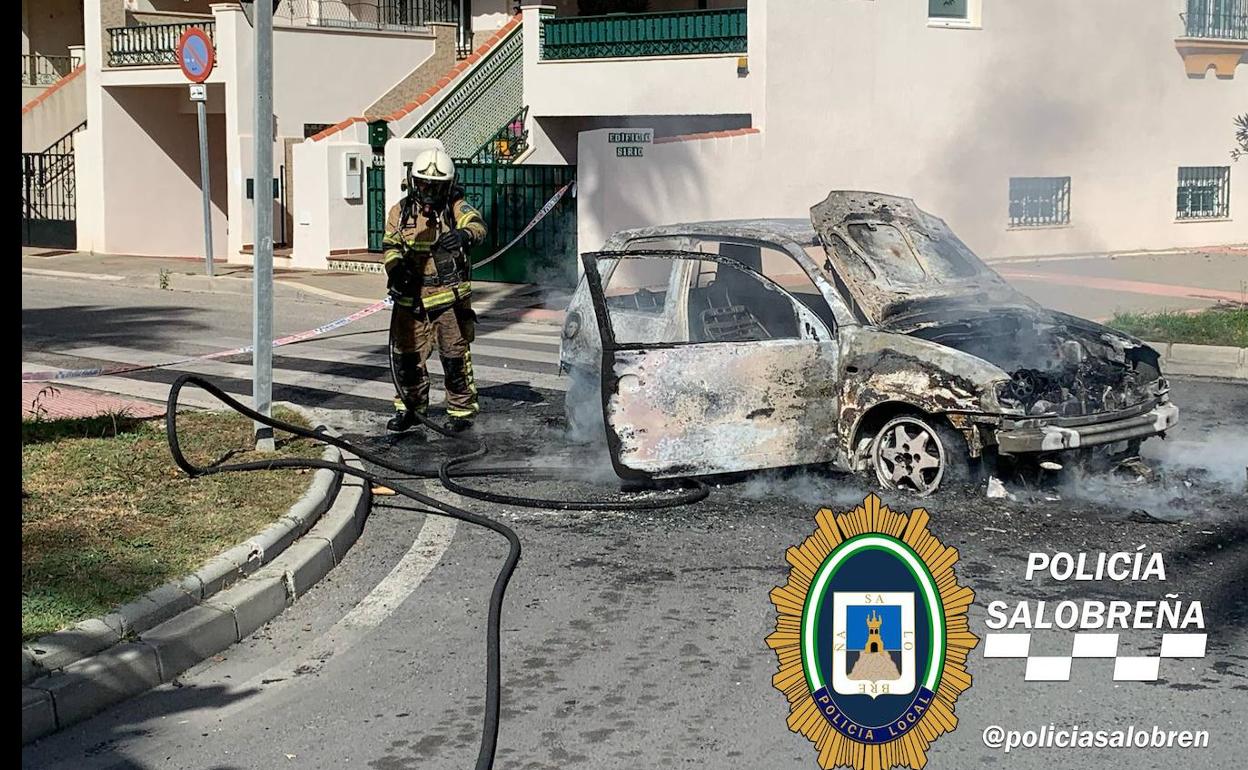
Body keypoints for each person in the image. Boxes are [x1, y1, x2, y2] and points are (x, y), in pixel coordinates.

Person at [382, 147, 487, 433]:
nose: (428, 193)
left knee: (454, 357)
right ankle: (410, 409)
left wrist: (463, 235)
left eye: (436, 187)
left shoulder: (455, 208)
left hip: (448, 300)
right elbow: (391, 245)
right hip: (409, 299)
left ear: (448, 186)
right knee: (407, 358)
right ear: (413, 182)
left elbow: (477, 224)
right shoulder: (400, 212)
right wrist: (396, 270)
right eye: (424, 185)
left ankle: (461, 412)